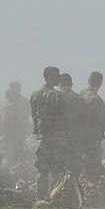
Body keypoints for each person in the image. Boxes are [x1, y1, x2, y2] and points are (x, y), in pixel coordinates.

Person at [30, 66, 68, 201]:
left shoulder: (35, 95)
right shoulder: (57, 95)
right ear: (48, 77)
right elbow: (64, 117)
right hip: (57, 137)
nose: (58, 78)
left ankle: (41, 198)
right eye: (56, 76)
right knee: (57, 169)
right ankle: (55, 197)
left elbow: (34, 117)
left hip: (43, 137)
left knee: (42, 170)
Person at [79, 71, 105, 183]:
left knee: (83, 164)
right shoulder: (96, 100)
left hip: (79, 138)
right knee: (93, 167)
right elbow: (104, 120)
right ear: (100, 83)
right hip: (92, 139)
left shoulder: (80, 95)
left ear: (89, 81)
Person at [0, 82, 31, 170]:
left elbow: (28, 118)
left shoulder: (23, 103)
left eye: (17, 91)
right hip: (9, 140)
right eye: (13, 91)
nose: (15, 93)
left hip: (16, 139)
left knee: (17, 161)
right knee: (9, 162)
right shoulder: (5, 107)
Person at [57, 73, 85, 179]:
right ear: (71, 84)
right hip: (75, 140)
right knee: (74, 170)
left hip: (59, 140)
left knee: (59, 170)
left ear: (59, 83)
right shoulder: (78, 99)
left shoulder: (55, 97)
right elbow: (83, 120)